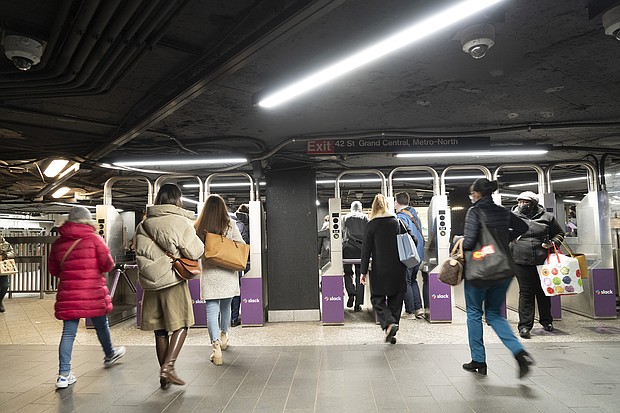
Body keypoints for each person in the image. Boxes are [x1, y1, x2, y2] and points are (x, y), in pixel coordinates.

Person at [461, 178, 533, 378]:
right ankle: (519, 353)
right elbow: (523, 228)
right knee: (494, 314)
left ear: (477, 193)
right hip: (504, 269)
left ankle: (479, 360)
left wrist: (458, 239)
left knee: (474, 312)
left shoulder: (475, 212)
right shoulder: (503, 211)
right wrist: (503, 239)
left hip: (480, 271)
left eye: (472, 192)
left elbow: (468, 244)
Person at [48, 206, 126, 389]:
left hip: (70, 293)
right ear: (87, 220)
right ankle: (109, 354)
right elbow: (107, 265)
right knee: (101, 325)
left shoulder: (59, 243)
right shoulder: (94, 239)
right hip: (93, 292)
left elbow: (54, 270)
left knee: (68, 333)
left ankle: (63, 375)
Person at [135, 184, 204, 388]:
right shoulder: (179, 222)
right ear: (177, 200)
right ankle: (169, 366)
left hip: (150, 284)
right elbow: (196, 251)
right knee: (182, 324)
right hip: (172, 280)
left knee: (160, 330)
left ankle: (164, 377)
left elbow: (139, 251)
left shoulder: (144, 224)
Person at [195, 194, 246, 366]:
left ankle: (215, 346)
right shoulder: (230, 224)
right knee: (226, 307)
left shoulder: (200, 226)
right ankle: (224, 336)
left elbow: (195, 250)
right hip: (228, 272)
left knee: (211, 310)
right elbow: (240, 243)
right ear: (223, 208)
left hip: (210, 272)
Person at [510, 191, 565, 339]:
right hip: (520, 260)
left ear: (533, 204)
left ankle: (547, 321)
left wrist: (552, 243)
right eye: (520, 201)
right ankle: (525, 326)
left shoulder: (547, 217)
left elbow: (560, 233)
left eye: (525, 202)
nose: (522, 204)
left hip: (543, 260)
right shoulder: (512, 217)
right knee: (526, 292)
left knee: (544, 291)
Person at [360, 194, 407, 344]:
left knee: (377, 299)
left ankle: (389, 324)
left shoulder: (371, 225)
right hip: (399, 268)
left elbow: (366, 250)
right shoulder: (397, 222)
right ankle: (392, 329)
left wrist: (363, 272)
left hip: (380, 269)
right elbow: (413, 239)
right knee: (396, 299)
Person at [394, 191, 425, 318]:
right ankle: (418, 308)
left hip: (408, 254)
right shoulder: (414, 215)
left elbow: (400, 236)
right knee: (413, 280)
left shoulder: (401, 217)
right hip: (418, 254)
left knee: (404, 281)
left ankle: (410, 310)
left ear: (397, 202)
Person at [342, 201, 369, 311]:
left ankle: (351, 293)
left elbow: (342, 231)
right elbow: (369, 233)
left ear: (351, 208)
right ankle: (358, 303)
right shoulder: (365, 217)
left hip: (348, 247)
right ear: (361, 208)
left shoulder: (345, 217)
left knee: (348, 273)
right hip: (362, 249)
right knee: (360, 274)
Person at [230, 206, 250, 327]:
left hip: (225, 261)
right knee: (237, 289)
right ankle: (234, 317)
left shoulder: (228, 224)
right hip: (240, 261)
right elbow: (244, 244)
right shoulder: (241, 226)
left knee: (230, 290)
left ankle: (229, 318)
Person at [0, 234, 16, 313]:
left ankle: (0, 301)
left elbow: (12, 253)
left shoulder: (5, 244)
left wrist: (6, 255)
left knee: (5, 286)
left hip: (2, 268)